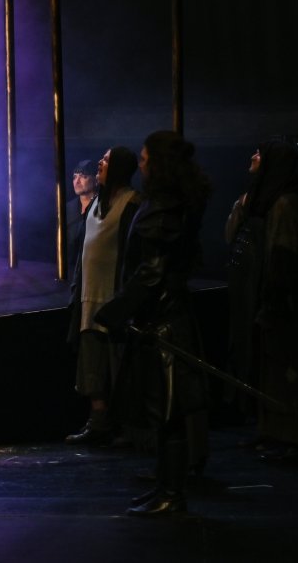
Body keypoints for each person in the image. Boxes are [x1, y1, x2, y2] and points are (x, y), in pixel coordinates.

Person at [95, 130, 211, 517]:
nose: (141, 165)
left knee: (169, 411)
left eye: (145, 160)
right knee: (163, 412)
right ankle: (165, 485)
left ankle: (172, 493)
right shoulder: (168, 203)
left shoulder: (165, 209)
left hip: (164, 323)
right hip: (160, 318)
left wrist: (114, 311)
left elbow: (151, 273)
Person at [224, 139, 298, 461]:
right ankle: (272, 431)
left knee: (290, 371)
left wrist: (275, 300)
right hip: (263, 296)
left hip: (285, 302)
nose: (253, 156)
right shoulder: (262, 201)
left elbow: (285, 255)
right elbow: (234, 237)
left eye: (260, 154)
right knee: (269, 370)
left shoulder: (286, 204)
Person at [65, 147, 140, 446]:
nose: (100, 163)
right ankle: (98, 422)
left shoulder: (132, 204)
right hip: (89, 296)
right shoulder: (96, 202)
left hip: (115, 298)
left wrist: (127, 299)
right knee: (92, 365)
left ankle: (127, 427)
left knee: (119, 364)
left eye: (106, 160)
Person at [65, 159, 98, 285]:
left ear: (95, 180)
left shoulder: (103, 206)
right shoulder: (67, 209)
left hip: (94, 271)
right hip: (69, 270)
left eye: (83, 177)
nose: (77, 181)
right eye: (75, 177)